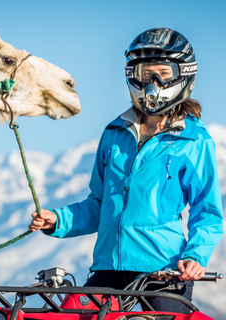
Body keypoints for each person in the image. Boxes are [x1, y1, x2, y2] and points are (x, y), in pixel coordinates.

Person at [29, 27, 223, 313]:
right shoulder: (114, 133)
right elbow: (98, 205)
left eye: (163, 74)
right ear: (132, 75)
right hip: (107, 269)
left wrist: (196, 256)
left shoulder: (194, 141)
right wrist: (57, 221)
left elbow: (207, 213)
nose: (153, 83)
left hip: (162, 274)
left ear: (183, 75)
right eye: (146, 74)